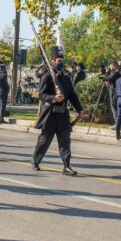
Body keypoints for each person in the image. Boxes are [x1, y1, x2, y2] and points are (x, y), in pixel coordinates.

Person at [32, 45, 84, 175]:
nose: (61, 62)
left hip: (62, 114)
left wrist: (80, 109)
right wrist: (54, 98)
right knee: (44, 141)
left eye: (62, 60)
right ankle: (36, 161)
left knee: (65, 141)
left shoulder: (66, 78)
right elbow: (41, 95)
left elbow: (72, 95)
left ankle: (66, 166)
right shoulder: (46, 76)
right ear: (53, 62)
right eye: (58, 60)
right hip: (50, 114)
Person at [105, 62, 121, 128]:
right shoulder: (115, 72)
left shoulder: (117, 72)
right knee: (114, 108)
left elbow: (108, 78)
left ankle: (117, 124)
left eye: (111, 66)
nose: (110, 67)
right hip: (113, 91)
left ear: (113, 66)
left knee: (114, 107)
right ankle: (117, 123)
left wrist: (107, 73)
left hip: (115, 92)